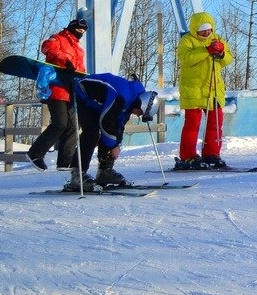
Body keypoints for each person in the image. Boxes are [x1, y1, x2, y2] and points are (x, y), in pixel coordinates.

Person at [66, 72, 158, 192]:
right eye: (140, 112)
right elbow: (105, 122)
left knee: (113, 132)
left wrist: (116, 144)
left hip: (100, 101)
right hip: (84, 93)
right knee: (92, 133)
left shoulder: (132, 102)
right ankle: (77, 175)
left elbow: (119, 125)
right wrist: (113, 145)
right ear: (140, 104)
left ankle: (105, 171)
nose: (137, 115)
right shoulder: (122, 97)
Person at [27, 17, 88, 171]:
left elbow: (80, 68)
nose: (80, 33)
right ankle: (35, 153)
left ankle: (64, 162)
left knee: (73, 126)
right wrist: (65, 59)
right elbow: (46, 47)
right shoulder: (58, 38)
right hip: (57, 89)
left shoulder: (79, 49)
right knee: (60, 123)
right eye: (78, 30)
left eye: (83, 31)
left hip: (71, 90)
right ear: (71, 28)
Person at [176, 12, 234, 169]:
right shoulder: (187, 41)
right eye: (202, 30)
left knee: (215, 123)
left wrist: (221, 53)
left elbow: (228, 59)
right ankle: (188, 156)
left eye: (208, 29)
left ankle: (212, 153)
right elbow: (186, 59)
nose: (206, 33)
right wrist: (206, 50)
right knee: (192, 124)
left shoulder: (217, 39)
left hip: (214, 90)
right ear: (195, 29)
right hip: (193, 90)